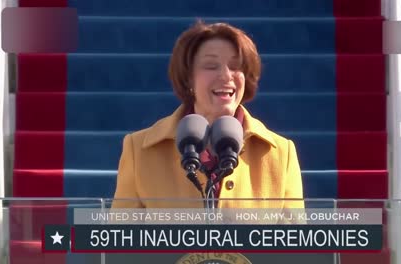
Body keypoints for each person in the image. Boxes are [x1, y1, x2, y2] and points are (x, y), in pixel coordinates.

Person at [112, 21, 304, 209]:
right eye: (211, 66)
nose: (226, 75)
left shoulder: (280, 153)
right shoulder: (139, 150)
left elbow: (293, 238)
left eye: (236, 66)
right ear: (188, 78)